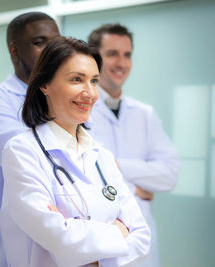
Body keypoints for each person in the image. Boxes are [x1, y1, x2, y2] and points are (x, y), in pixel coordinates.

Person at [0, 36, 150, 267]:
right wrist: (118, 231)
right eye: (77, 79)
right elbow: (59, 238)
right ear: (44, 84)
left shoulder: (101, 156)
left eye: (94, 81)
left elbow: (141, 235)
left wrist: (89, 255)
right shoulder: (22, 151)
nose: (89, 93)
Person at [0, 12, 60, 267]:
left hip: (66, 241)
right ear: (14, 51)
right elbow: (30, 158)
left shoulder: (68, 100)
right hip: (9, 246)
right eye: (40, 42)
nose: (51, 52)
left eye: (56, 43)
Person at [87, 23, 180, 267]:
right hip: (98, 238)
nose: (121, 62)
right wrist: (138, 187)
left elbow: (170, 175)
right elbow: (85, 178)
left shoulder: (144, 114)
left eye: (127, 55)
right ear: (94, 58)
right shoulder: (80, 110)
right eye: (112, 54)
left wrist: (116, 166)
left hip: (143, 247)